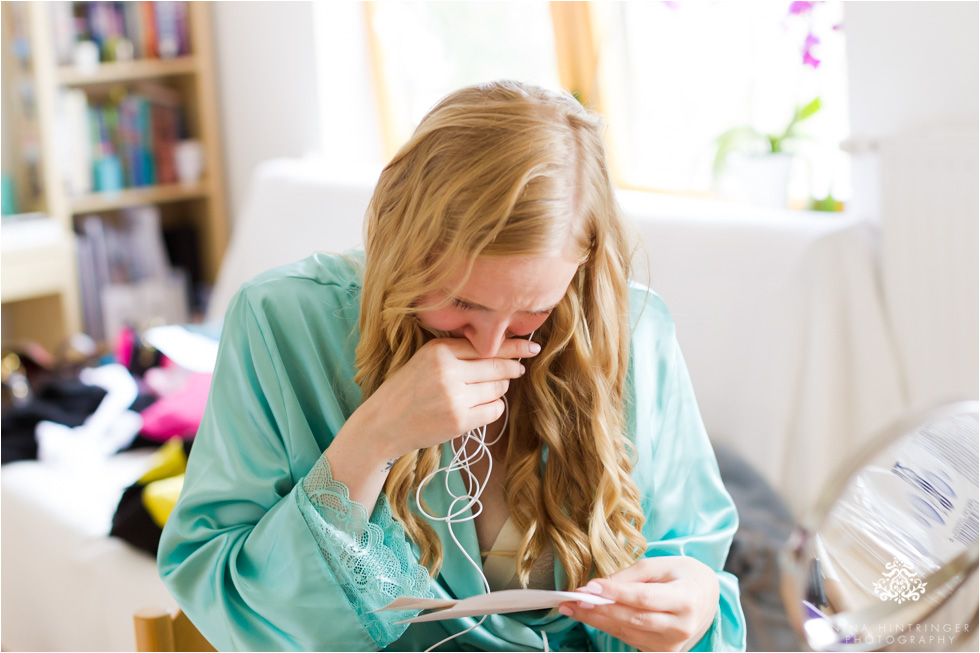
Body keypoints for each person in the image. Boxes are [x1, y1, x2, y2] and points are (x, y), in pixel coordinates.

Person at [158, 80, 746, 652]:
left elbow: (684, 559)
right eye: (462, 302)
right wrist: (373, 437)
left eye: (533, 310)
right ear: (400, 245)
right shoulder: (281, 322)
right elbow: (223, 594)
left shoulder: (636, 334)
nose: (490, 345)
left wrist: (691, 600)